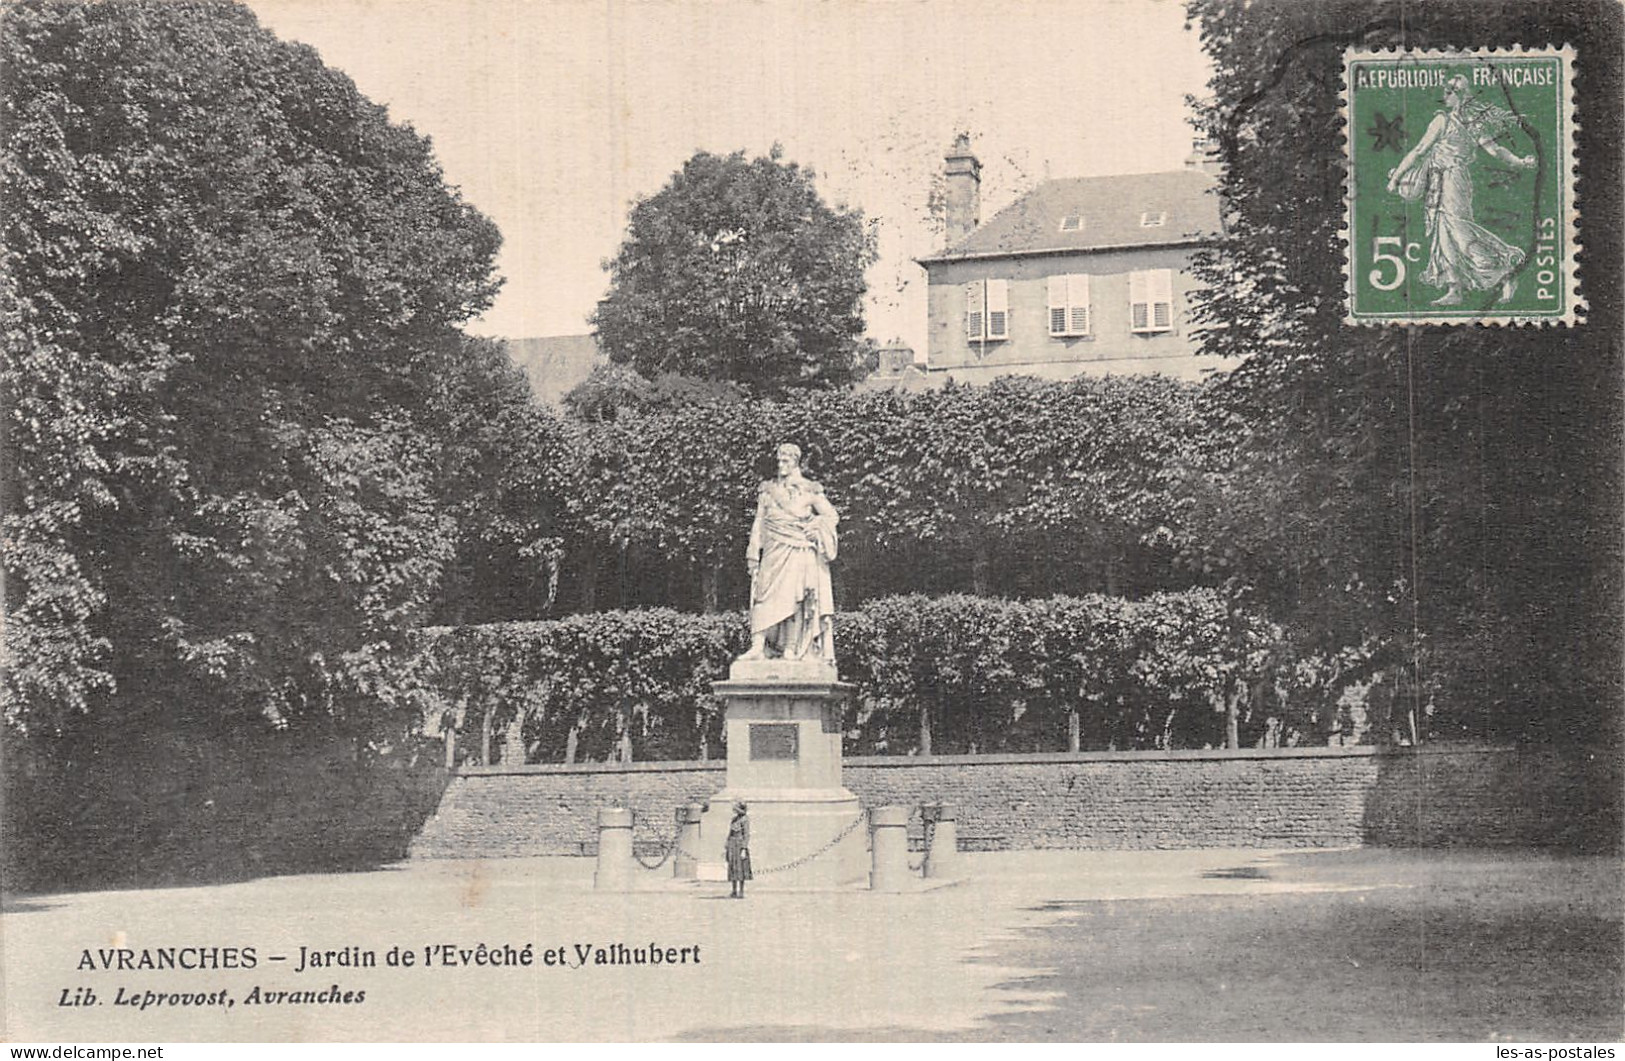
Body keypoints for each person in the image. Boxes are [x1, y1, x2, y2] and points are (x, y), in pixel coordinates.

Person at [1385, 73, 1537, 306]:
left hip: (1455, 179)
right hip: (1438, 181)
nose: (1444, 96)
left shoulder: (1464, 124)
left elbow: (1495, 150)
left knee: (1457, 228)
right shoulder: (1446, 121)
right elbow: (1419, 151)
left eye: (1449, 92)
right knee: (1442, 232)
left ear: (1460, 96)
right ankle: (1454, 289)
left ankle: (1505, 270)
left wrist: (1520, 162)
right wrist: (1397, 176)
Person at [739, 443, 839, 663]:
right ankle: (758, 646)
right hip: (773, 550)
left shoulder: (810, 489)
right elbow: (758, 521)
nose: (781, 464)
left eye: (786, 460)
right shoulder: (768, 489)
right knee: (762, 595)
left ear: (796, 461)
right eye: (779, 460)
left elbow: (831, 516)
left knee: (794, 599)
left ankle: (790, 649)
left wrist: (816, 526)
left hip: (798, 549)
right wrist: (753, 550)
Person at [725, 802, 751, 898]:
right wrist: (727, 845)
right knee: (733, 868)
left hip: (740, 846)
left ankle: (741, 891)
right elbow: (730, 833)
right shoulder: (734, 820)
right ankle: (734, 890)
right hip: (732, 845)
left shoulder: (745, 820)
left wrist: (744, 848)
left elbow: (746, 834)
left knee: (741, 869)